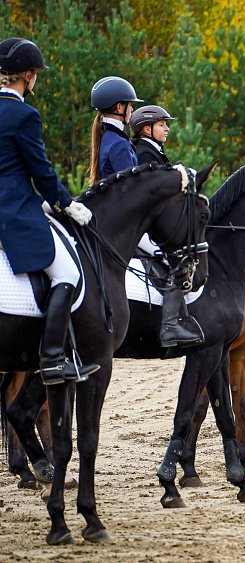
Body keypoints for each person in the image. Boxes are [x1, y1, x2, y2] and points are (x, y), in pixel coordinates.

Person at [0, 38, 99, 384]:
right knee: (68, 273)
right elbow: (40, 170)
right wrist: (66, 204)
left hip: (15, 201)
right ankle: (53, 358)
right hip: (12, 214)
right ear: (27, 75)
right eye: (36, 75)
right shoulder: (24, 114)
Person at [126, 103, 204, 346]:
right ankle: (170, 326)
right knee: (177, 260)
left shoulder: (154, 151)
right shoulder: (144, 153)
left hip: (149, 222)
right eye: (162, 124)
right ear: (146, 130)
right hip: (141, 225)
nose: (167, 128)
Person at [89, 76, 143, 184]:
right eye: (130, 104)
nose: (131, 109)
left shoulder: (107, 137)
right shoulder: (119, 144)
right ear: (119, 107)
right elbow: (131, 187)